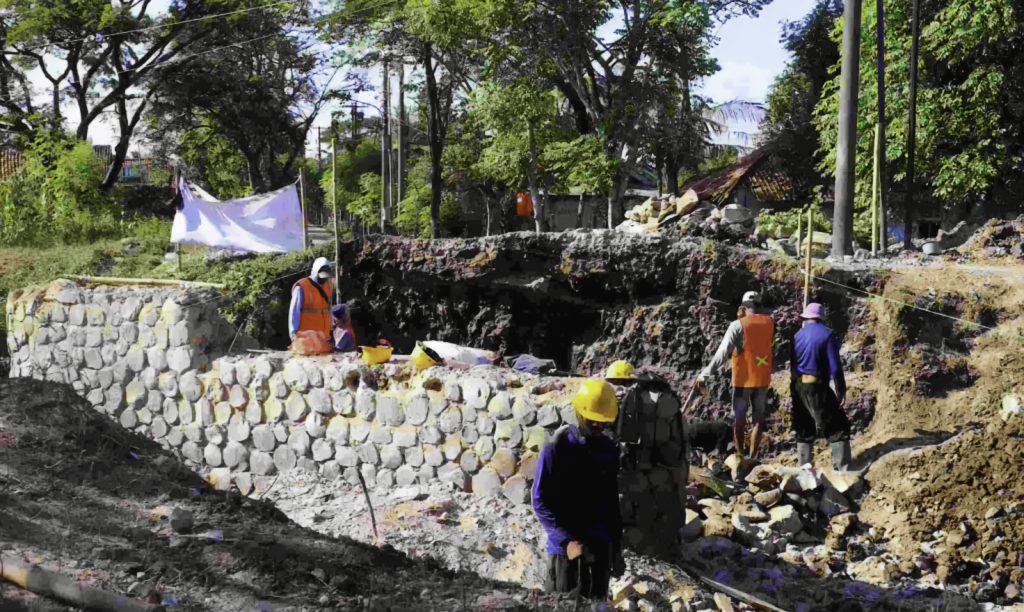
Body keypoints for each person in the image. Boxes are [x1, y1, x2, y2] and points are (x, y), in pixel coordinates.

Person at [532, 379, 623, 600]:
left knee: (596, 603)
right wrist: (566, 540)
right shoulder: (557, 447)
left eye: (603, 424)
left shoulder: (608, 450)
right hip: (566, 551)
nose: (598, 428)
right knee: (562, 603)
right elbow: (539, 500)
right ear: (579, 414)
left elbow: (611, 502)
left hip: (599, 546)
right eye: (593, 422)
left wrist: (616, 550)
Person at [697, 290, 775, 459]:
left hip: (742, 381)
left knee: (739, 418)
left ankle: (740, 455)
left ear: (743, 307)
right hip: (761, 380)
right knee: (758, 420)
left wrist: (706, 373)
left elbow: (723, 352)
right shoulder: (770, 322)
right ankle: (753, 457)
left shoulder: (738, 325)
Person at [790, 302, 852, 470]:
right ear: (821, 318)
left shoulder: (797, 335)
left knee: (804, 427)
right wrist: (840, 389)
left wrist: (795, 391)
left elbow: (793, 366)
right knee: (838, 427)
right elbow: (835, 367)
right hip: (817, 387)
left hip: (798, 386)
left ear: (806, 318)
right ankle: (842, 470)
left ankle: (804, 470)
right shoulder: (827, 335)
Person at [288, 257, 336, 341]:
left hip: (324, 338)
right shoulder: (302, 287)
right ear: (315, 271)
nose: (324, 279)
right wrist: (293, 333)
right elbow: (294, 311)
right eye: (321, 275)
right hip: (306, 339)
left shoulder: (328, 285)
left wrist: (331, 329)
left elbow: (329, 308)